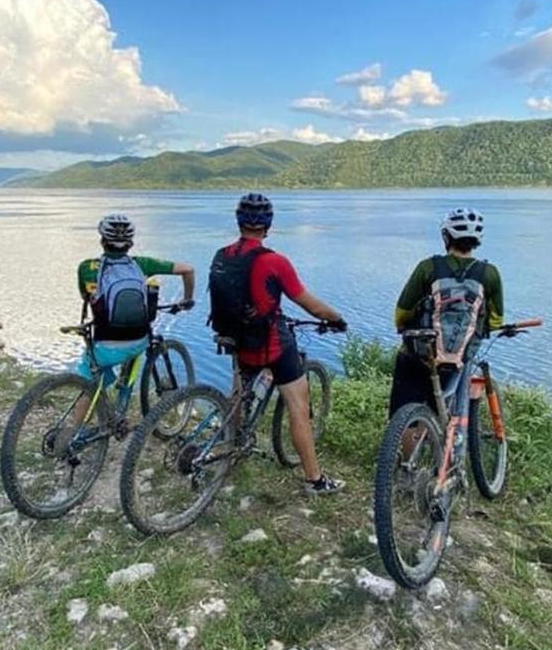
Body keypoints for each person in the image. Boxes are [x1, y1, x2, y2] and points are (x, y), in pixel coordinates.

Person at [209, 193, 348, 495]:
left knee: (239, 392)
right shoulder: (274, 261)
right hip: (269, 344)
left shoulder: (221, 255)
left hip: (234, 338)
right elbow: (310, 305)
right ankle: (315, 479)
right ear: (268, 225)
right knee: (299, 406)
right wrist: (337, 319)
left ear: (239, 221)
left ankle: (234, 445)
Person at [389, 207, 503, 417]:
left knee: (403, 411)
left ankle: (404, 444)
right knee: (452, 407)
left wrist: (403, 327)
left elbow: (402, 312)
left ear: (446, 237)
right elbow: (495, 320)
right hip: (459, 355)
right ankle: (454, 442)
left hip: (419, 352)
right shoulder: (489, 274)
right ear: (477, 241)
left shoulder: (427, 268)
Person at [76, 213, 195, 382]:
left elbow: (86, 297)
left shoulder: (87, 267)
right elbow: (188, 269)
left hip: (106, 346)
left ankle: (91, 400)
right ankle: (120, 399)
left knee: (88, 382)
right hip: (140, 340)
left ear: (102, 241)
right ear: (130, 244)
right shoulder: (141, 264)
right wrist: (186, 300)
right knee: (132, 352)